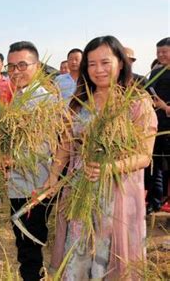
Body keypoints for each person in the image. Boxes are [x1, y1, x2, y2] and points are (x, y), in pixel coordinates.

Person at [46, 36, 157, 280]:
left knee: (113, 256)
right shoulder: (78, 102)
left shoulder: (137, 103)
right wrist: (53, 176)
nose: (98, 70)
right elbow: (66, 144)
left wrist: (110, 167)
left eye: (105, 62)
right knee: (78, 250)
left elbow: (144, 156)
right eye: (92, 64)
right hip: (79, 190)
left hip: (118, 191)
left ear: (121, 63)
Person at [5, 41, 54, 281]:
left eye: (22, 65)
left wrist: (11, 159)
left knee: (29, 247)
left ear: (38, 66)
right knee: (25, 246)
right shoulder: (19, 99)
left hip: (34, 187)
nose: (15, 71)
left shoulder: (45, 102)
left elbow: (49, 149)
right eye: (11, 66)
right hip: (18, 184)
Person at [146, 37, 170, 214]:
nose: (160, 55)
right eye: (158, 52)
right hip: (156, 126)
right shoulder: (155, 72)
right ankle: (155, 202)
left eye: (164, 52)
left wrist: (166, 107)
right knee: (155, 164)